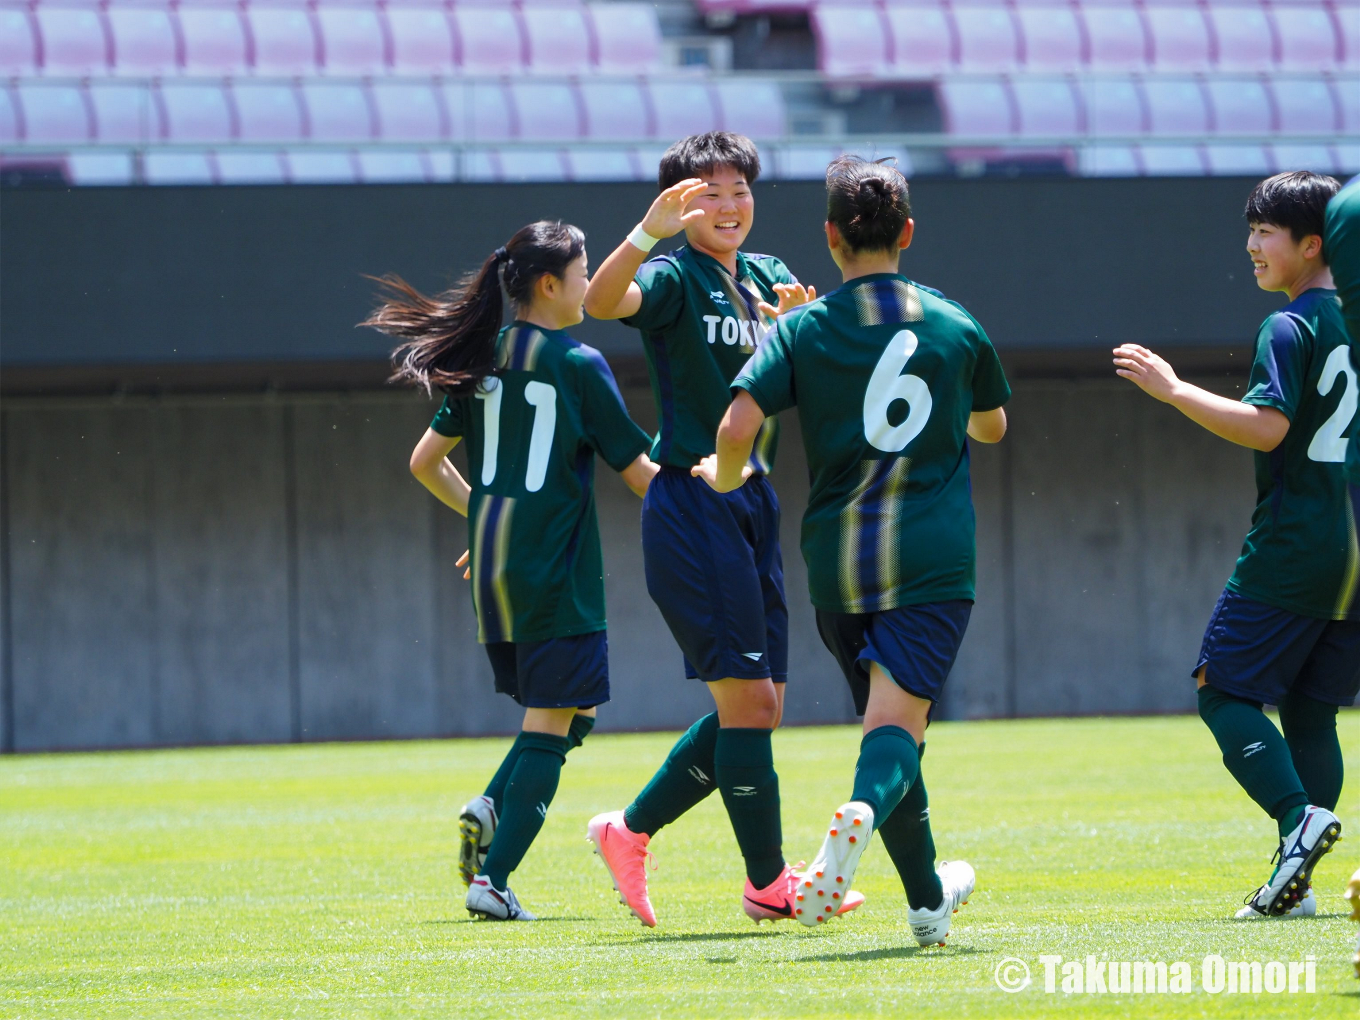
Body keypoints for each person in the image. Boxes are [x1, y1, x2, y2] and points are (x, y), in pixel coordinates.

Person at [693, 155, 1010, 944]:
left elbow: (735, 428)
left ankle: (929, 904)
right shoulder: (953, 321)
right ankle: (862, 810)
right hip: (932, 561)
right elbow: (994, 425)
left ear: (831, 238)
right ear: (906, 232)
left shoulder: (802, 326)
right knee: (893, 736)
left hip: (837, 565)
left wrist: (724, 477)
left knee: (893, 728)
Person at [579, 131, 861, 926]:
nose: (729, 205)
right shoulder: (671, 275)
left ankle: (627, 831)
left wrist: (814, 330)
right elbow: (598, 305)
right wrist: (644, 232)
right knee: (747, 701)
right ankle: (768, 885)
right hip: (692, 498)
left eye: (739, 190)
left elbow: (816, 379)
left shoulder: (772, 277)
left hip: (755, 498)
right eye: (708, 192)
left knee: (759, 704)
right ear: (679, 203)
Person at [362, 221, 657, 921]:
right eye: (584, 273)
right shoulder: (579, 363)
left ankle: (491, 804)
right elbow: (642, 475)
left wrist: (485, 519)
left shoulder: (484, 357)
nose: (590, 286)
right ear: (551, 284)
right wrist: (715, 484)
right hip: (555, 572)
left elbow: (424, 462)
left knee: (570, 709)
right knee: (553, 724)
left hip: (496, 573)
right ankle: (492, 881)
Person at [1114, 171, 1354, 919]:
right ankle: (1298, 881)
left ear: (1312, 245)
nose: (1250, 245)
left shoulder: (1289, 326)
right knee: (1312, 713)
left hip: (1296, 543)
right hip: (1353, 551)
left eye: (1266, 233)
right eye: (1249, 229)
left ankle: (1296, 823)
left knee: (1223, 688)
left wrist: (1173, 388)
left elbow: (1268, 425)